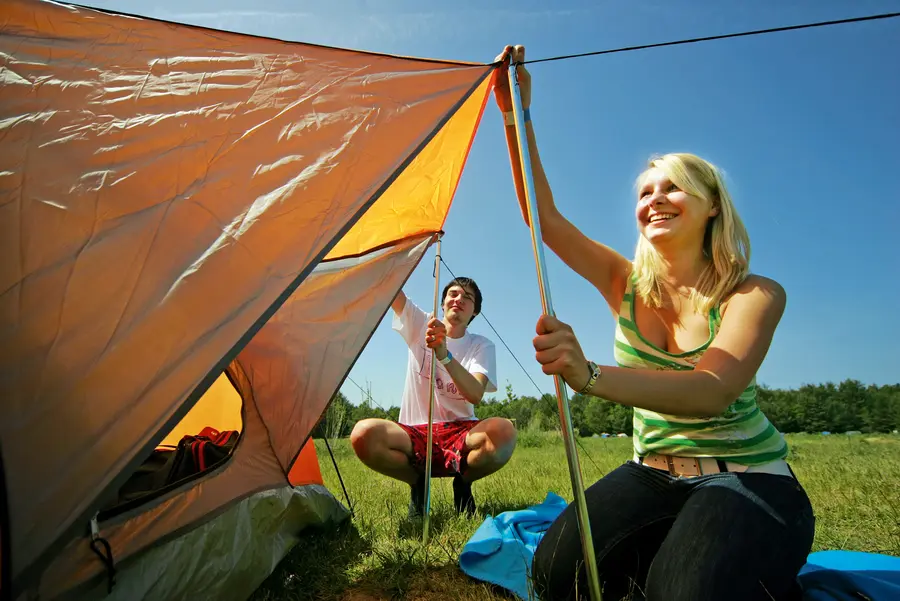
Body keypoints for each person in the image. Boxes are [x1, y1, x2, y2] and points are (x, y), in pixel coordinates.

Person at [493, 45, 816, 601]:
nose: (655, 200)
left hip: (746, 476)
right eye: (645, 193)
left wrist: (590, 375)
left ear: (713, 206)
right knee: (556, 577)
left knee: (683, 592)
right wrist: (515, 114)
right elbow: (542, 218)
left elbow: (712, 390)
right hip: (650, 472)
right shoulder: (623, 281)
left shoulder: (754, 294)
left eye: (673, 187)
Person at [350, 276, 518, 518]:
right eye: (453, 294)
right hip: (415, 431)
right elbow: (391, 289)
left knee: (504, 431)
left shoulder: (481, 345)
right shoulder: (422, 323)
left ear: (475, 311)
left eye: (468, 297)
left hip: (461, 431)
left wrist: (444, 355)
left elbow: (475, 394)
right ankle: (417, 483)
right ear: (442, 303)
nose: (459, 299)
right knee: (363, 434)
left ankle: (463, 482)